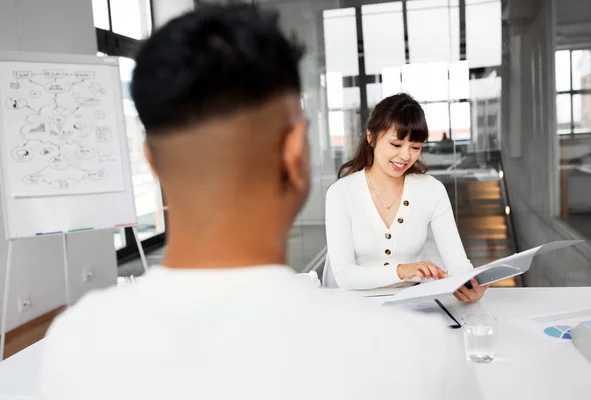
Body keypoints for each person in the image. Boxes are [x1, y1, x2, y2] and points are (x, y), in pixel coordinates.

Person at [39, 5, 479, 400]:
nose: (405, 155)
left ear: (150, 159)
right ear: (296, 153)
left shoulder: (74, 345)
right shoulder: (417, 358)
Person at [326, 93, 487, 303]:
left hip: (411, 304)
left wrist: (469, 283)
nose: (405, 156)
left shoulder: (432, 190)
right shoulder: (341, 193)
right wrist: (402, 271)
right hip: (354, 306)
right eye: (396, 144)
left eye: (415, 147)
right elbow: (344, 275)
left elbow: (457, 263)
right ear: (371, 137)